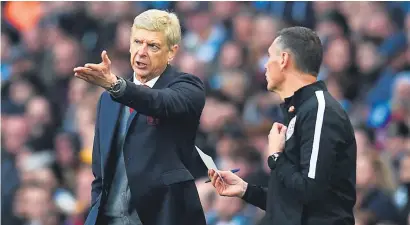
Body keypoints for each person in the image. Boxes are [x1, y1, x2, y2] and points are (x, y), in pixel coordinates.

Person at [208, 26, 357, 225]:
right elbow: (293, 203)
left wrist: (276, 157)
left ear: (284, 59)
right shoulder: (299, 110)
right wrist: (246, 190)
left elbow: (309, 191)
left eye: (270, 56)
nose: (265, 66)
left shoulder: (320, 110)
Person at [74, 9, 207, 225]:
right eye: (137, 42)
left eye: (153, 46)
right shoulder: (107, 100)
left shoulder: (187, 87)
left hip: (164, 218)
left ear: (172, 52)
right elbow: (100, 174)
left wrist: (116, 86)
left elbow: (160, 103)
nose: (142, 52)